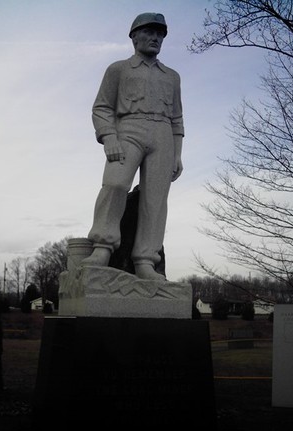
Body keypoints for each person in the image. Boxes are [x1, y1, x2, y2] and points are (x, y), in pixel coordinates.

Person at [82, 12, 184, 280]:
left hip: (163, 134)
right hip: (129, 128)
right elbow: (101, 107)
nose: (155, 38)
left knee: (155, 199)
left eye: (160, 34)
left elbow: (177, 118)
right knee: (114, 184)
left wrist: (177, 154)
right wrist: (109, 137)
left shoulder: (172, 77)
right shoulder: (118, 69)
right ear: (134, 36)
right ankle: (103, 247)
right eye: (149, 32)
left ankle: (145, 260)